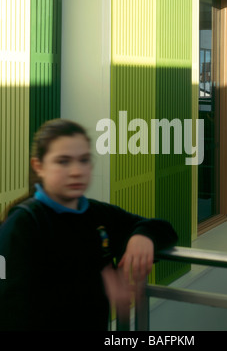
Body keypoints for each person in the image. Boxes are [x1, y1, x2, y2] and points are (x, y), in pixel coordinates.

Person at [0, 118, 178, 331]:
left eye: (84, 160)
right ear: (39, 166)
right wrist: (97, 286)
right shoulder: (23, 225)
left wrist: (142, 236)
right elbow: (12, 313)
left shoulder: (96, 214)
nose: (76, 171)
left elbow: (163, 228)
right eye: (63, 161)